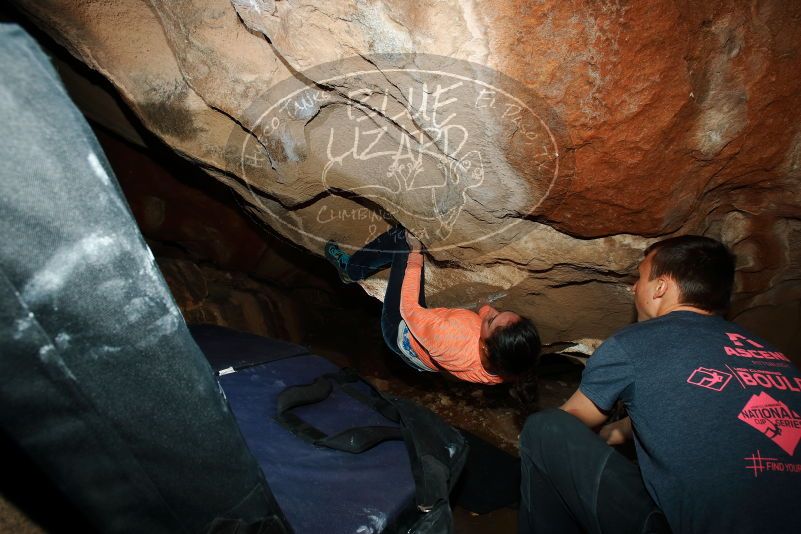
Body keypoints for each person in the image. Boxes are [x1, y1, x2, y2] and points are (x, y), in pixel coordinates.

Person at [519, 235, 801, 534]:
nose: (633, 287)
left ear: (661, 287)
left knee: (544, 430)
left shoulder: (635, 342)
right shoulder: (776, 358)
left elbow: (570, 423)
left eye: (639, 277)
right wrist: (614, 433)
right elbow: (697, 411)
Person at [325, 227, 540, 384]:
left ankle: (351, 270)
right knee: (432, 328)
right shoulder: (504, 366)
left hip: (400, 328)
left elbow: (409, 310)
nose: (492, 311)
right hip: (423, 357)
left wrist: (416, 253)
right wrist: (485, 312)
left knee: (402, 240)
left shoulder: (452, 335)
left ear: (485, 346)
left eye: (491, 320)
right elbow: (489, 322)